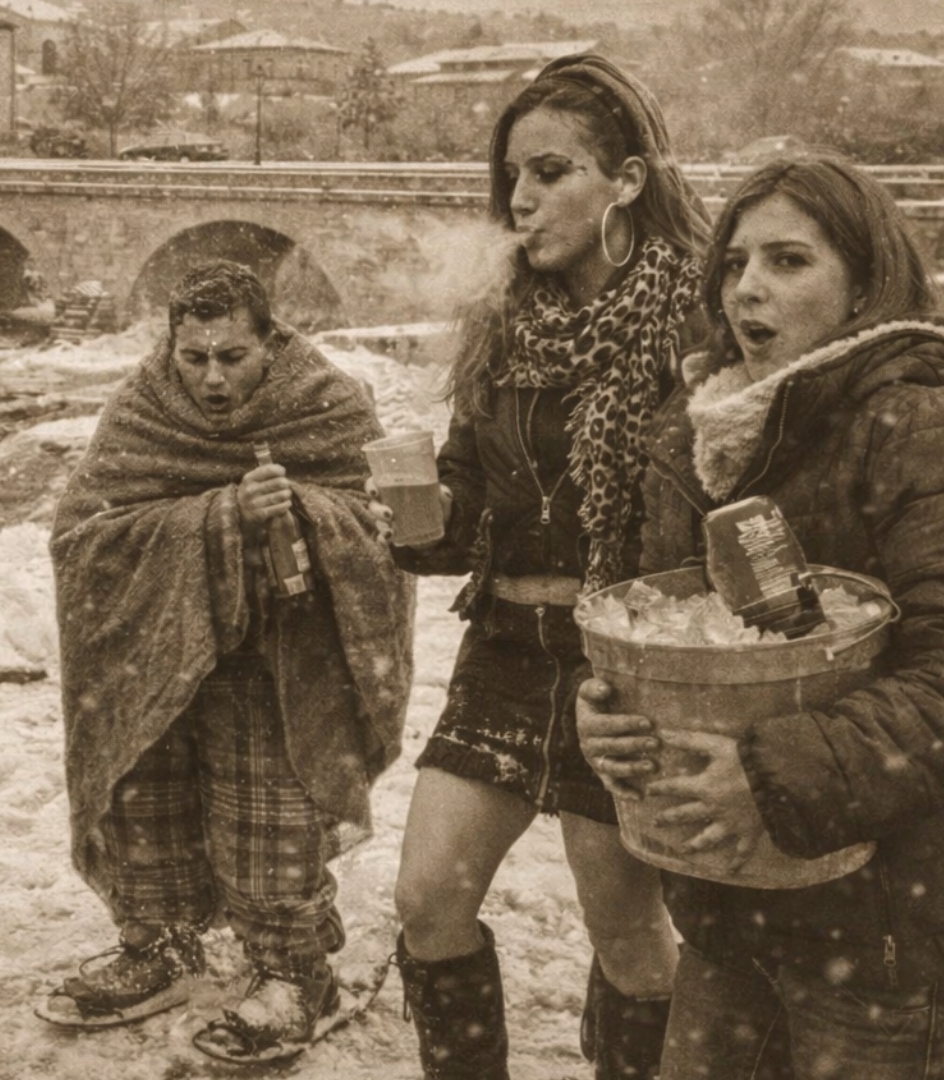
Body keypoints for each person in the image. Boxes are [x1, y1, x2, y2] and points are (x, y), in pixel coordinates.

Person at [377, 54, 713, 1080]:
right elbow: (462, 521)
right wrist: (409, 516)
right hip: (507, 652)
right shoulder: (503, 328)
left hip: (630, 672)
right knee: (427, 900)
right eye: (510, 178)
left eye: (552, 171)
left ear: (629, 180)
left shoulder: (695, 327)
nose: (520, 200)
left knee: (626, 938)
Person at [578, 157, 944, 1080]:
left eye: (788, 261)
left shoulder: (914, 426)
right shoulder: (705, 426)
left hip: (886, 935)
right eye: (736, 262)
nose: (748, 288)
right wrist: (607, 711)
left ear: (865, 283)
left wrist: (767, 774)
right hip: (725, 913)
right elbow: (666, 621)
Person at [42, 260, 415, 1064]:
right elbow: (82, 533)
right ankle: (163, 945)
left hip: (279, 662)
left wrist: (305, 514)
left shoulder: (326, 404)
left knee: (268, 816)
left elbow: (382, 524)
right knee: (146, 797)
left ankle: (292, 972)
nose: (211, 378)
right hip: (154, 655)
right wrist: (218, 519)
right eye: (194, 356)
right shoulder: (144, 410)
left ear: (270, 341)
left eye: (232, 357)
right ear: (170, 348)